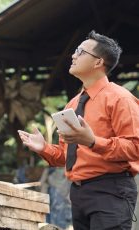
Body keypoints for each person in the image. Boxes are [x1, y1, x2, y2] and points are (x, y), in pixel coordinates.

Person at [18, 30, 139, 230]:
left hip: (111, 190)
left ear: (98, 62)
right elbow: (68, 155)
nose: (73, 56)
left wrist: (93, 141)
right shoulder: (72, 105)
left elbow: (135, 147)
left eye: (80, 52)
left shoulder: (120, 98)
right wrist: (43, 148)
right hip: (78, 192)